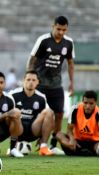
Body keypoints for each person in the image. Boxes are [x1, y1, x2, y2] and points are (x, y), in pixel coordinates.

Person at [26, 16, 75, 154]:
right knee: (35, 112)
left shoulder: (68, 43)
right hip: (40, 83)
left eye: (64, 30)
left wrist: (72, 83)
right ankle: (25, 141)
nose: (61, 32)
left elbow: (70, 64)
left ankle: (52, 144)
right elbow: (32, 59)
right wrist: (29, 77)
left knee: (59, 113)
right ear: (53, 26)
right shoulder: (43, 40)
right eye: (58, 29)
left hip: (56, 84)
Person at [9, 70, 55, 156]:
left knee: (49, 112)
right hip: (18, 129)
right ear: (23, 81)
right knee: (12, 112)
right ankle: (12, 147)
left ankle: (43, 147)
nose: (31, 82)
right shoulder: (13, 95)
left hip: (34, 129)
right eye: (28, 79)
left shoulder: (41, 97)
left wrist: (42, 136)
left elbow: (48, 120)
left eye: (33, 80)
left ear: (37, 82)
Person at [56, 91, 99, 156]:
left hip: (94, 143)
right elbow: (69, 130)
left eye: (91, 103)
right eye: (85, 103)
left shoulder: (98, 112)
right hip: (78, 142)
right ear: (82, 101)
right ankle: (85, 153)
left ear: (96, 103)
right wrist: (72, 139)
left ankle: (80, 152)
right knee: (58, 134)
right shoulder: (75, 109)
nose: (88, 106)